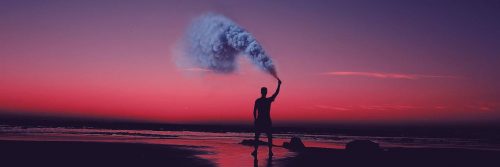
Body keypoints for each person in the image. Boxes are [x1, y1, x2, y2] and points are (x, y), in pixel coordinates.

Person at [252, 79, 281, 157]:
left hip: (259, 121)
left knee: (257, 137)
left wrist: (255, 120)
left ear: (261, 92)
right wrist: (279, 85)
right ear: (266, 92)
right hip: (267, 121)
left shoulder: (258, 101)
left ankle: (255, 151)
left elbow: (254, 111)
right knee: (269, 137)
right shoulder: (268, 100)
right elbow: (276, 93)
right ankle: (270, 151)